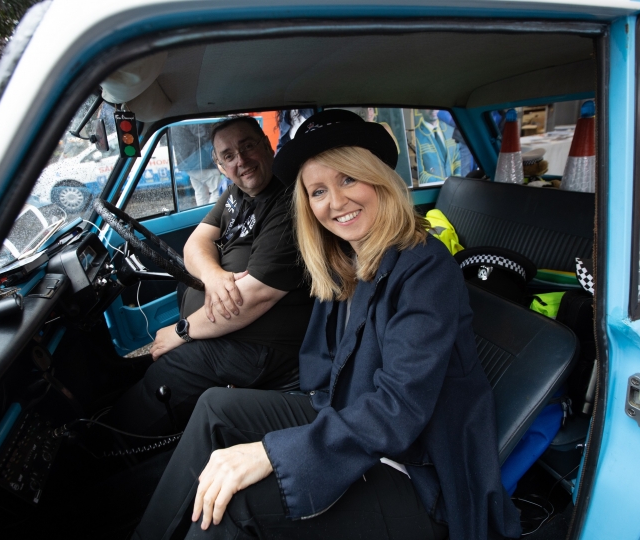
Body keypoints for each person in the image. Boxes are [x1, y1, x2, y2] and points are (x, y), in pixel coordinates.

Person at [132, 110, 520, 539]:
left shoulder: (426, 269)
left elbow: (400, 410)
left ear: (378, 179)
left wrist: (271, 452)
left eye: (348, 179)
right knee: (215, 408)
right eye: (318, 191)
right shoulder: (345, 259)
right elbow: (323, 368)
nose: (335, 203)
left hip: (418, 467)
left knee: (235, 504)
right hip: (345, 413)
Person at [108, 116, 315, 435]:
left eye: (248, 146)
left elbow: (252, 298)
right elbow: (197, 242)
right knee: (145, 369)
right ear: (220, 166)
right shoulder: (237, 194)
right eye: (229, 156)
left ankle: (111, 442)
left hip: (264, 349)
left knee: (168, 374)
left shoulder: (286, 203)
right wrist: (215, 275)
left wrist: (183, 331)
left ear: (267, 144)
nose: (241, 160)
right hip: (227, 332)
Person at [414, 109, 461, 184]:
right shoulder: (416, 136)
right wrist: (444, 182)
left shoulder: (451, 130)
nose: (433, 109)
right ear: (420, 110)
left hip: (455, 187)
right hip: (432, 190)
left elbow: (458, 160)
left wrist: (458, 179)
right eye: (427, 106)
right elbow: (420, 174)